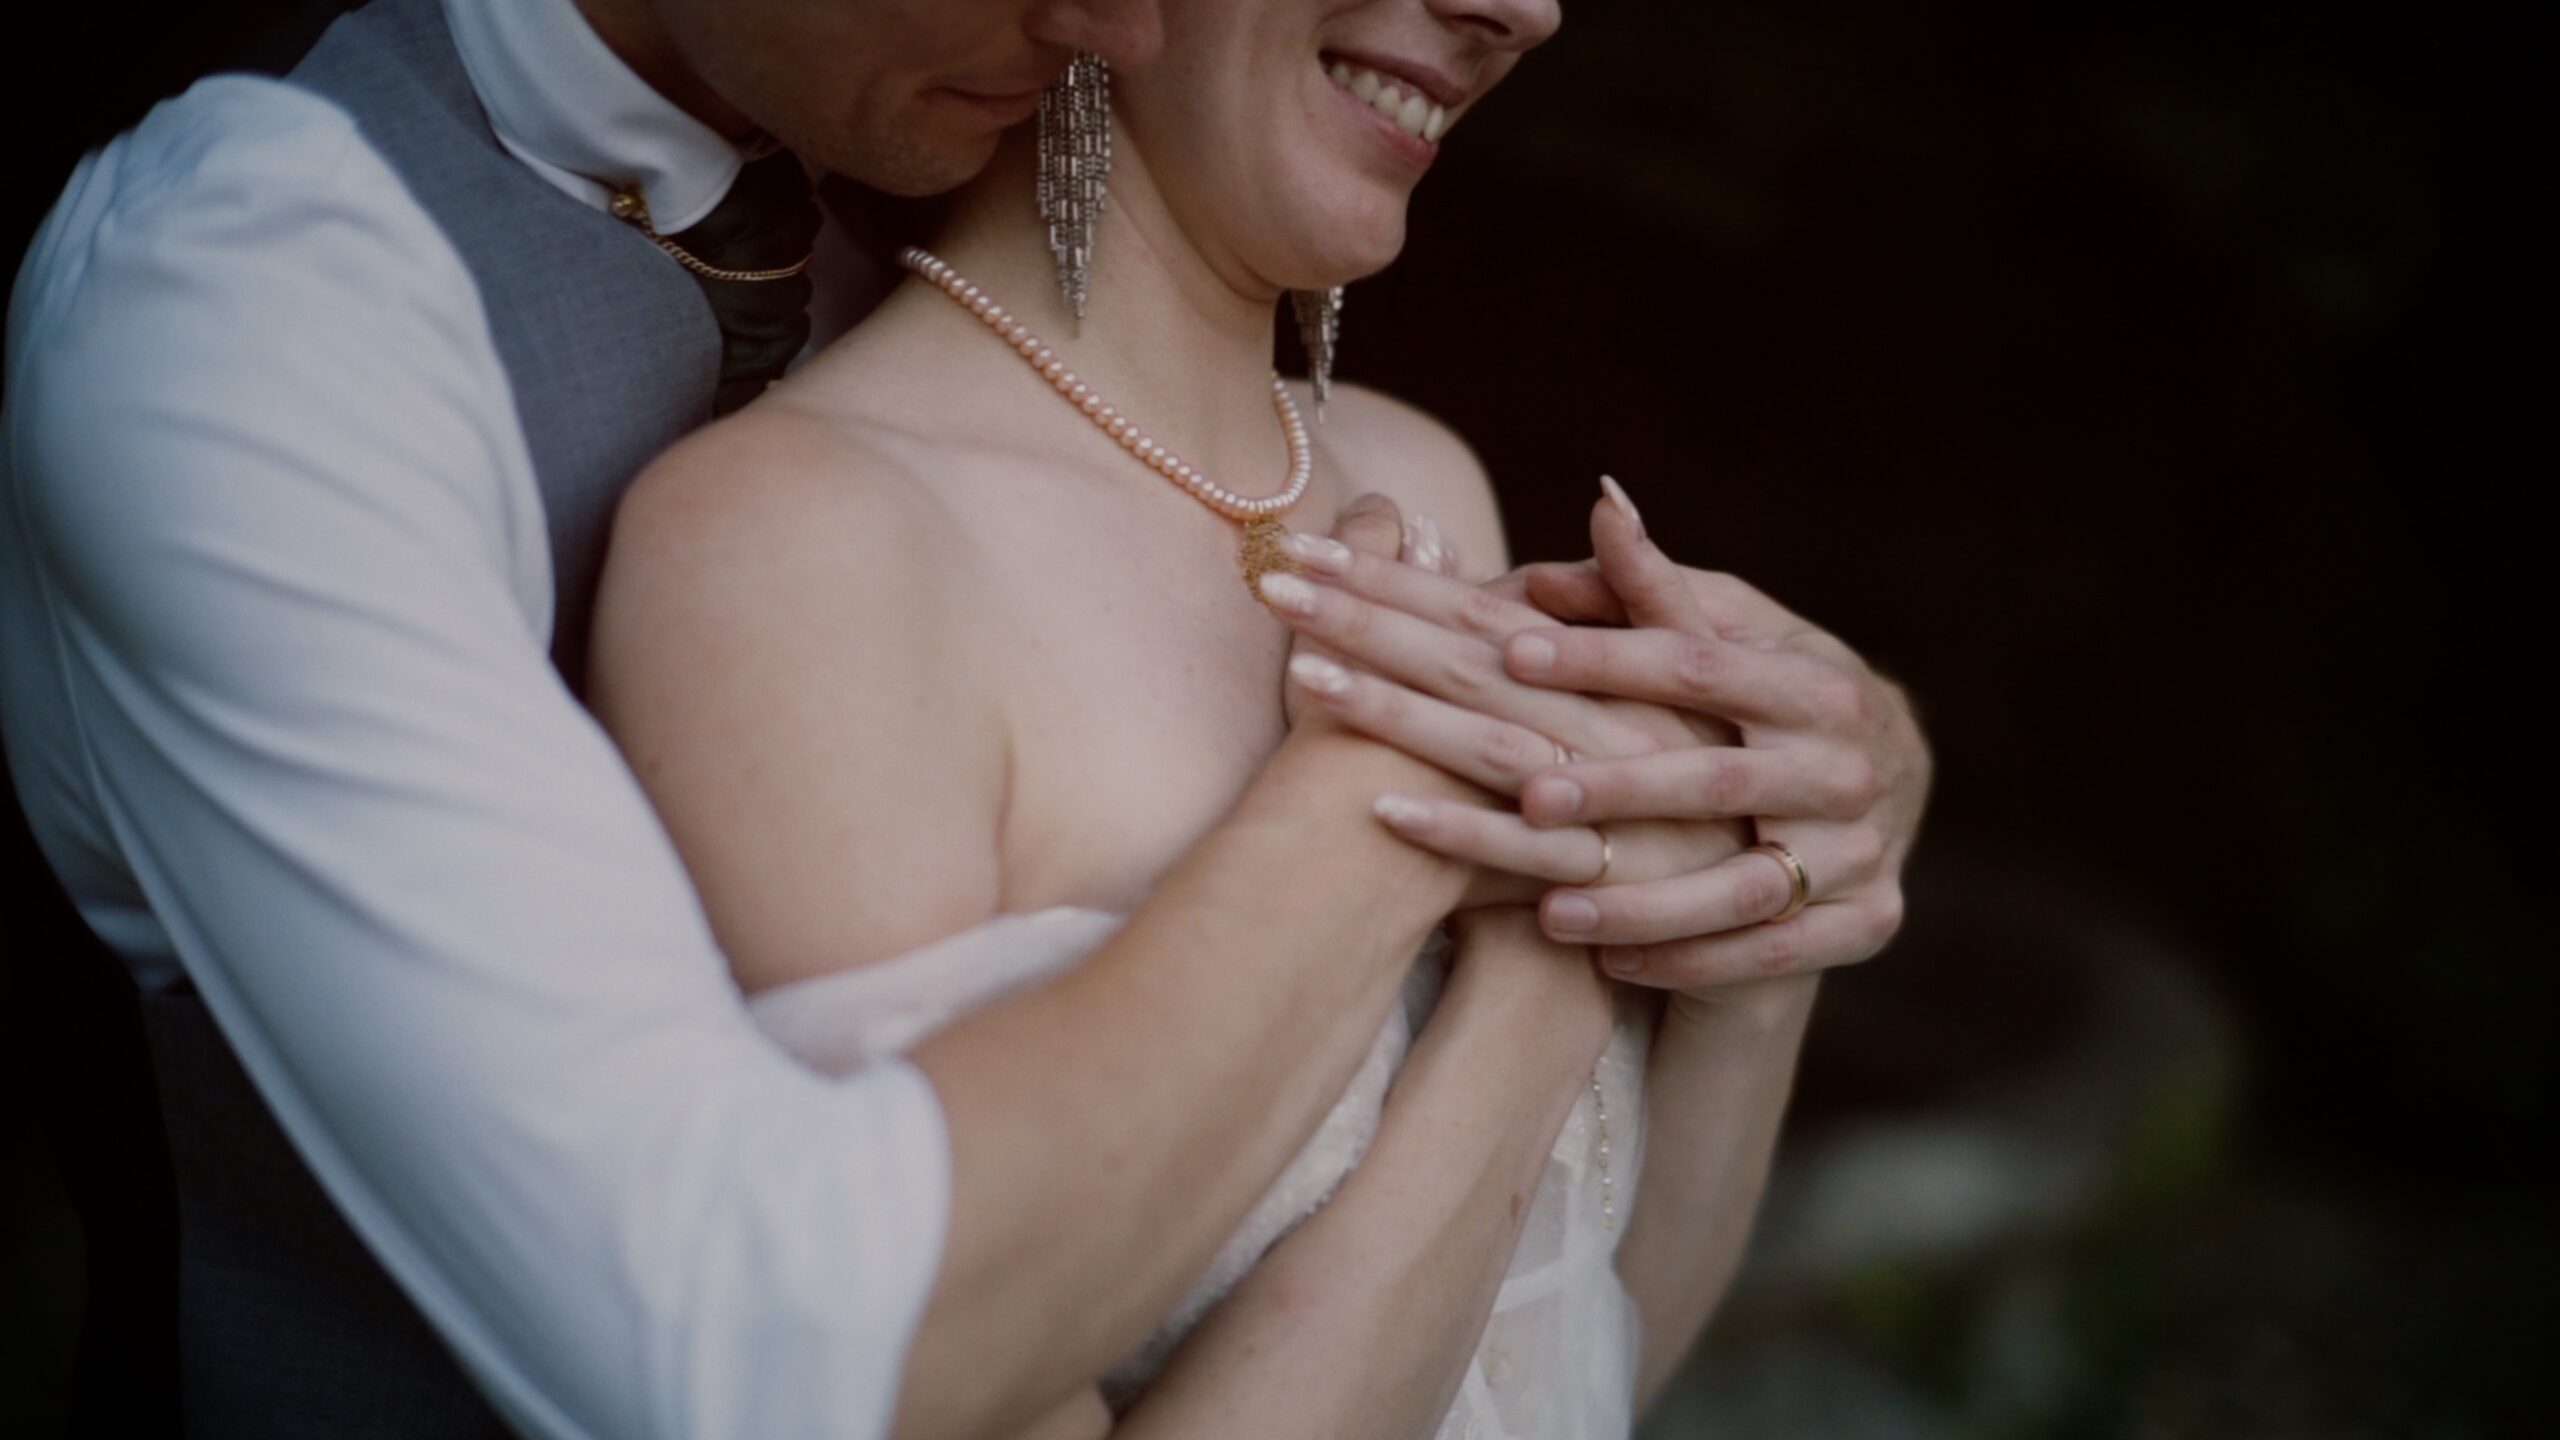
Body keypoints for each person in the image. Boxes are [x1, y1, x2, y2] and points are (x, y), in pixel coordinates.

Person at [0, 0, 1929, 1436]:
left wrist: (1778, 913)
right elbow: (766, 1345)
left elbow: (1557, 1358)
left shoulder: (1409, 476)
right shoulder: (328, 342)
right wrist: (1506, 922)